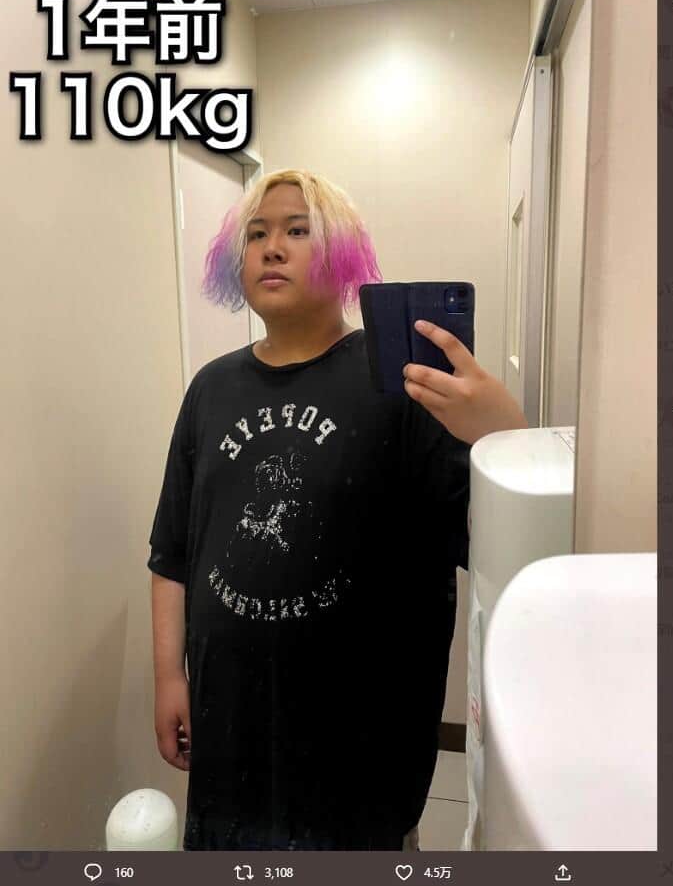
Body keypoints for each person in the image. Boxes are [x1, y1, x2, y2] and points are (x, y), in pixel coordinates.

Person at [149, 169, 527, 850]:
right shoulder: (210, 389)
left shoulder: (402, 387)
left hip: (358, 741)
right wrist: (168, 675)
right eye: (256, 234)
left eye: (299, 230)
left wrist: (503, 434)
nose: (272, 247)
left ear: (345, 254)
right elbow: (173, 551)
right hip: (229, 722)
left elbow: (498, 549)